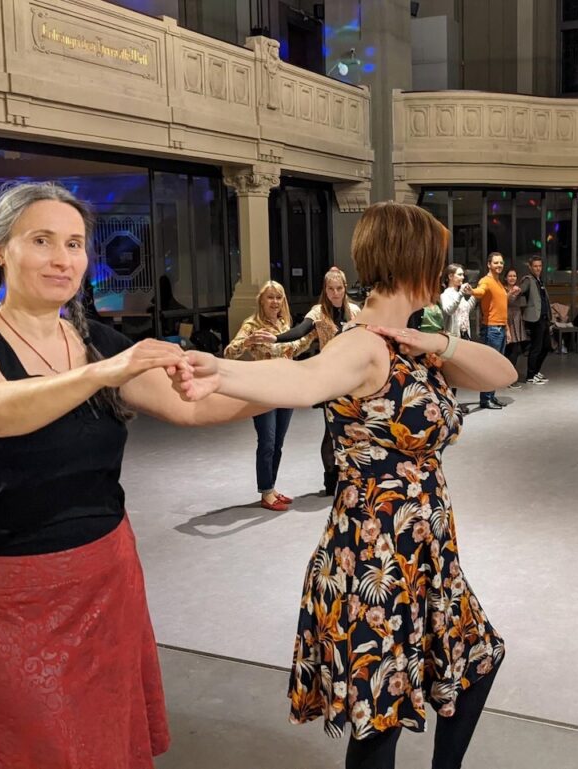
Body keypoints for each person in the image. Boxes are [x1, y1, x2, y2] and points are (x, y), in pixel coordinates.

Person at [171, 201, 516, 769]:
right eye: (436, 260)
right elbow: (306, 380)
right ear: (412, 260)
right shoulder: (361, 345)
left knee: (477, 662)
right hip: (375, 556)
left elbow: (504, 373)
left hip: (422, 553)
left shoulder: (406, 340)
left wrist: (437, 343)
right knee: (380, 721)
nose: (441, 272)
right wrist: (221, 370)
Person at [0, 182, 264, 769]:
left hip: (108, 574)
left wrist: (312, 382)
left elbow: (194, 407)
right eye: (42, 241)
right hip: (15, 593)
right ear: (0, 250)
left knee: (105, 741)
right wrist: (100, 374)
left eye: (74, 244)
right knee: (32, 751)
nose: (63, 259)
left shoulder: (97, 342)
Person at [259, 267, 361, 496]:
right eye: (330, 289)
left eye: (339, 288)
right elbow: (300, 331)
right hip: (330, 379)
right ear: (325, 290)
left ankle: (351, 477)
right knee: (330, 431)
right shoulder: (318, 312)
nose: (335, 293)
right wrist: (276, 338)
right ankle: (331, 482)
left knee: (353, 430)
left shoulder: (355, 311)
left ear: (345, 288)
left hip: (353, 378)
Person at [225, 281, 311, 511]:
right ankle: (265, 491)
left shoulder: (284, 324)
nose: (275, 302)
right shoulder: (252, 324)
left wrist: (312, 334)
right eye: (270, 297)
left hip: (286, 391)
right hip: (263, 391)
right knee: (267, 442)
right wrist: (247, 341)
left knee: (278, 443)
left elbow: (293, 349)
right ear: (261, 301)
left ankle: (271, 488)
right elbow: (229, 352)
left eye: (279, 297)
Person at [468, 251, 509, 409]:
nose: (499, 265)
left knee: (496, 365)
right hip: (492, 329)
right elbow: (480, 291)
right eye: (496, 262)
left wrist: (507, 328)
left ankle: (491, 396)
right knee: (490, 365)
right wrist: (472, 291)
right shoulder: (486, 280)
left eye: (501, 262)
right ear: (489, 264)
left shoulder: (498, 282)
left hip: (500, 328)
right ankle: (485, 399)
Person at [440, 263, 475, 414]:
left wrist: (473, 295)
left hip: (463, 334)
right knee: (451, 372)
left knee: (458, 371)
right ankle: (449, 404)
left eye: (462, 275)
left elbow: (466, 310)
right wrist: (461, 294)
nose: (462, 277)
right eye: (459, 274)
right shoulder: (446, 295)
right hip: (453, 336)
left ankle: (453, 403)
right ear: (450, 276)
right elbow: (448, 310)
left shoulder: (457, 293)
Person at [518, 255, 552, 385]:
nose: (538, 268)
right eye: (535, 266)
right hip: (535, 319)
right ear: (530, 267)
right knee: (536, 348)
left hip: (543, 318)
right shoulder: (528, 280)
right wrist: (515, 290)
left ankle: (536, 371)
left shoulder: (539, 281)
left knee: (546, 346)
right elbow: (521, 290)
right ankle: (530, 375)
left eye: (540, 266)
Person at [502, 267, 526, 386]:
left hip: (516, 318)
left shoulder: (518, 289)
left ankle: (510, 375)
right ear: (506, 278)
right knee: (509, 348)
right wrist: (511, 293)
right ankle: (507, 376)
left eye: (514, 276)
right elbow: (504, 302)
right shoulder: (503, 289)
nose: (512, 278)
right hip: (507, 318)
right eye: (510, 276)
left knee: (516, 348)